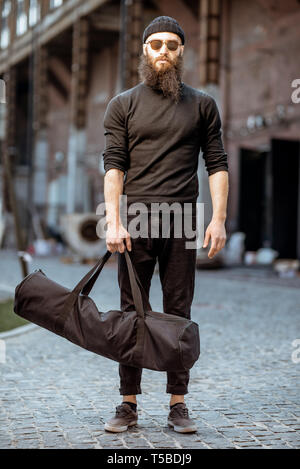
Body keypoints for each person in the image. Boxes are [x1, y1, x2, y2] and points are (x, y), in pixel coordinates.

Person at [102, 16, 229, 433]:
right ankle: (128, 403)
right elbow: (114, 168)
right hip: (135, 221)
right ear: (144, 50)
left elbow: (217, 164)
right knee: (130, 314)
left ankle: (178, 404)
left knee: (179, 312)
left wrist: (219, 219)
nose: (163, 51)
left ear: (181, 51)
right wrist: (114, 221)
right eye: (155, 44)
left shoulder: (202, 104)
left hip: (182, 220)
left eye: (171, 45)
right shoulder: (123, 104)